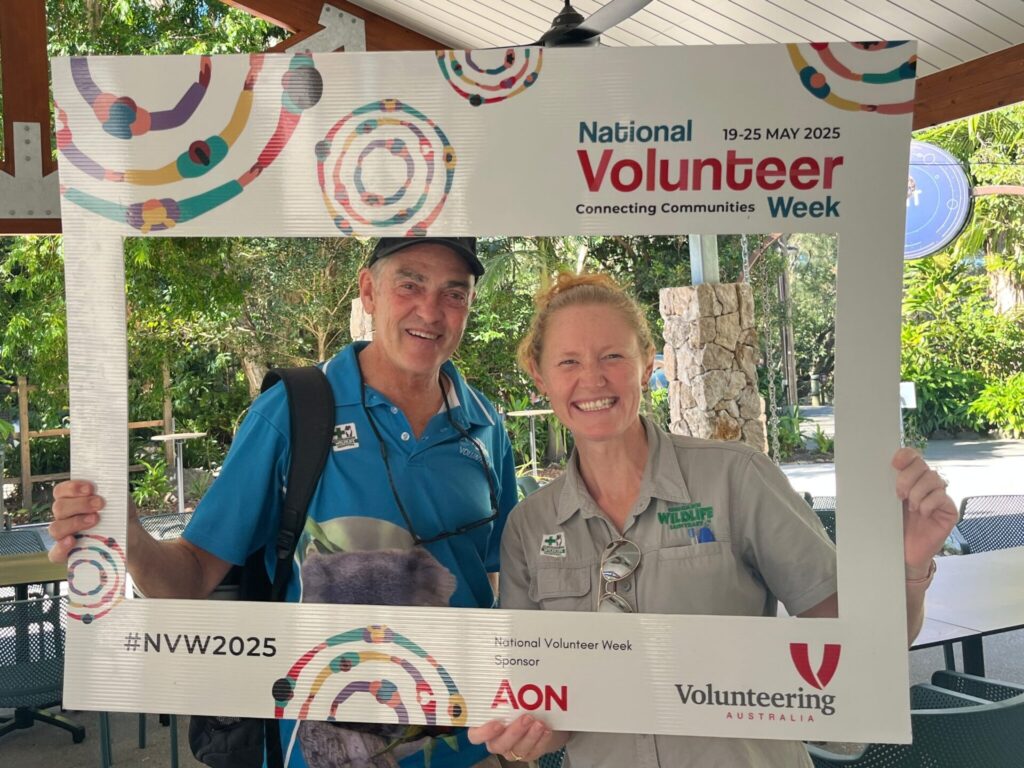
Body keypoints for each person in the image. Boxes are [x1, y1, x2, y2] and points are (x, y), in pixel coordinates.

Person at [49, 237, 519, 768]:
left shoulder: (484, 427)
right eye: (409, 284)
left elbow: (499, 583)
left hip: (469, 746)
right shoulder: (293, 412)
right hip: (323, 748)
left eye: (453, 293)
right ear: (369, 290)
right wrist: (122, 532)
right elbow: (188, 578)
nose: (430, 311)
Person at [468, 272, 958, 768]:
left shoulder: (736, 478)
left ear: (646, 364)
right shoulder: (529, 527)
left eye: (612, 356)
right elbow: (551, 714)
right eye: (568, 361)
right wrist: (522, 737)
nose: (591, 379)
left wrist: (909, 566)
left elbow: (863, 646)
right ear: (541, 377)